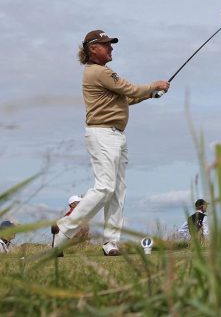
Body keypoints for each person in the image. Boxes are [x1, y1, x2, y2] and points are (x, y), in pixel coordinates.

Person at [52, 30, 170, 256]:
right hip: (103, 134)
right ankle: (64, 229)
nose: (111, 48)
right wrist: (154, 84)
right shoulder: (97, 71)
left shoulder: (102, 73)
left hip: (116, 136)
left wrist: (151, 94)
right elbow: (132, 89)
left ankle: (110, 243)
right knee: (105, 187)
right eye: (106, 45)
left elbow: (128, 98)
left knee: (117, 190)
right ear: (92, 49)